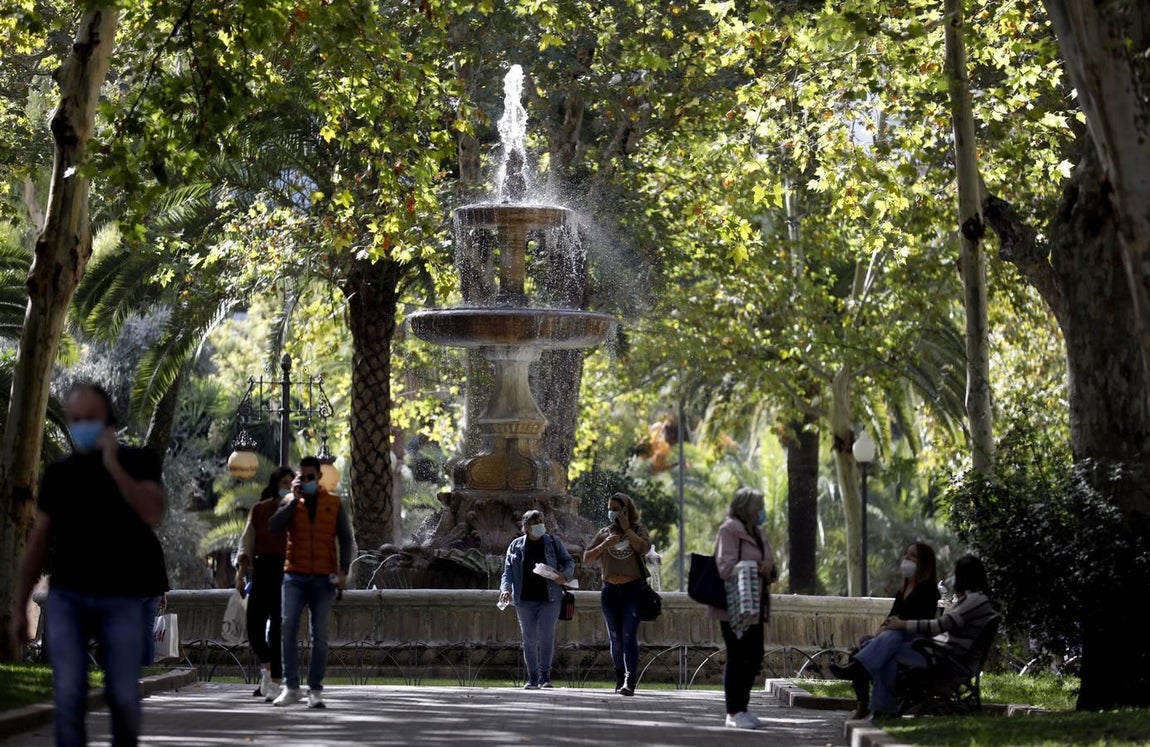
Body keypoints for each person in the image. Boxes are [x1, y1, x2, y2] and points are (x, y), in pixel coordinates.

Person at [8, 382, 166, 747]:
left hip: (122, 597)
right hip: (69, 596)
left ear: (108, 419)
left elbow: (151, 512)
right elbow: (39, 541)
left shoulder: (139, 462)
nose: (82, 425)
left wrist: (113, 465)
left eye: (90, 418)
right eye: (75, 419)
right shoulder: (59, 473)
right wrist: (20, 606)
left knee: (125, 698)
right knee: (68, 697)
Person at [832, 554, 996, 721]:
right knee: (889, 644)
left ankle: (860, 665)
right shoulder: (976, 600)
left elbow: (940, 626)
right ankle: (879, 702)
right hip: (941, 654)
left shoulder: (974, 601)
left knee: (891, 640)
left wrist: (903, 624)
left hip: (944, 660)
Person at [268, 456, 353, 709]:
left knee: (321, 637)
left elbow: (346, 539)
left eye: (309, 477)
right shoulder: (290, 502)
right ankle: (291, 687)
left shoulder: (334, 504)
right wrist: (293, 500)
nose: (305, 481)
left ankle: (315, 689)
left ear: (318, 477)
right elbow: (274, 527)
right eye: (301, 477)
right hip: (294, 575)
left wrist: (343, 570)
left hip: (324, 579)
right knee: (288, 625)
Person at [832, 542, 940, 718]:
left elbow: (921, 624)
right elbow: (891, 618)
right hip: (895, 643)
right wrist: (882, 630)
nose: (906, 558)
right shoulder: (902, 590)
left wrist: (895, 626)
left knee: (873, 645)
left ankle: (858, 670)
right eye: (906, 553)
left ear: (923, 563)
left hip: (916, 646)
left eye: (912, 555)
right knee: (882, 653)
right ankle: (881, 710)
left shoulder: (928, 591)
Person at [709, 487, 778, 729]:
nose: (762, 512)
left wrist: (769, 567)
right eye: (758, 507)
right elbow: (725, 567)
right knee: (738, 655)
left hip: (757, 603)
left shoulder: (758, 532)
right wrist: (759, 565)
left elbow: (768, 561)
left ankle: (743, 707)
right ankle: (733, 711)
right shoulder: (729, 530)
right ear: (747, 507)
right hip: (734, 605)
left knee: (755, 654)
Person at [583, 492, 652, 696]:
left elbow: (644, 548)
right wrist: (605, 545)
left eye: (616, 509)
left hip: (632, 590)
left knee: (629, 635)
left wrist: (627, 530)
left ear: (626, 510)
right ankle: (619, 676)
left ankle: (630, 681)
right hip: (610, 591)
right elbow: (587, 558)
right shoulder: (604, 533)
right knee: (615, 637)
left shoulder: (638, 530)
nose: (612, 512)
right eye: (610, 509)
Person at [498, 509, 575, 689]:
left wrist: (565, 575)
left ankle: (545, 677)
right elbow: (507, 573)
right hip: (524, 600)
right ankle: (532, 677)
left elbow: (568, 561)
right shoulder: (515, 546)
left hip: (551, 598)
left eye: (541, 521)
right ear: (526, 527)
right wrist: (505, 590)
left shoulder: (553, 542)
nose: (540, 525)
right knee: (529, 639)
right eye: (536, 522)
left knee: (547, 637)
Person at [236, 466, 294, 702]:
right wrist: (240, 573)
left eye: (291, 484)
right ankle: (269, 667)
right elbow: (246, 543)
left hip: (286, 572)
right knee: (254, 628)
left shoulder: (297, 512)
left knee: (279, 630)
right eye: (284, 483)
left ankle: (275, 681)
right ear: (274, 485)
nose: (288, 487)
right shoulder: (259, 510)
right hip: (262, 570)